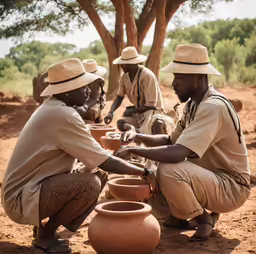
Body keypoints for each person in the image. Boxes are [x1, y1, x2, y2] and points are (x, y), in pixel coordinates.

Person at [1, 58, 156, 254]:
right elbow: (104, 161)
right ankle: (46, 236)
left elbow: (96, 160)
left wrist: (118, 160)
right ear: (67, 91)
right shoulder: (62, 115)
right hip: (21, 199)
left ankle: (42, 229)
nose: (88, 91)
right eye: (83, 87)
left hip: (31, 188)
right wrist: (144, 171)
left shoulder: (55, 108)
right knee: (89, 184)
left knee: (97, 174)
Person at [115, 44, 250, 242]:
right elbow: (170, 140)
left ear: (198, 77)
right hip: (212, 178)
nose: (174, 84)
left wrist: (136, 151)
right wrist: (137, 136)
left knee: (168, 169)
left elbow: (177, 152)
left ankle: (203, 219)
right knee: (154, 168)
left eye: (180, 77)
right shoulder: (194, 105)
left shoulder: (213, 107)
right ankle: (178, 217)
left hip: (231, 187)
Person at [104, 46, 175, 135]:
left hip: (152, 113)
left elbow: (151, 105)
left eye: (124, 63)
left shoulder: (147, 76)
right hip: (139, 114)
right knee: (121, 123)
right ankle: (139, 134)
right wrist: (110, 112)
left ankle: (145, 135)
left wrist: (131, 111)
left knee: (156, 123)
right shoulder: (124, 77)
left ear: (132, 63)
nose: (121, 66)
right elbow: (119, 97)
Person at [73, 59, 107, 123]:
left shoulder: (96, 82)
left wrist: (84, 107)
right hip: (83, 103)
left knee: (90, 113)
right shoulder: (79, 81)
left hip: (92, 104)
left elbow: (94, 98)